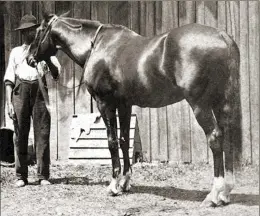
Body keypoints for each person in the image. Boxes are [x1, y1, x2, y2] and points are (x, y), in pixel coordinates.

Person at [4, 14, 61, 187]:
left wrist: (46, 58)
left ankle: (43, 175)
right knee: (20, 133)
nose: (27, 34)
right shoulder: (16, 52)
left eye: (30, 30)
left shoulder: (45, 49)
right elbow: (9, 80)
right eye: (24, 31)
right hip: (20, 92)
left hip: (40, 91)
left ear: (36, 31)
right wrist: (9, 103)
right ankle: (21, 176)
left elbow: (56, 74)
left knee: (42, 133)